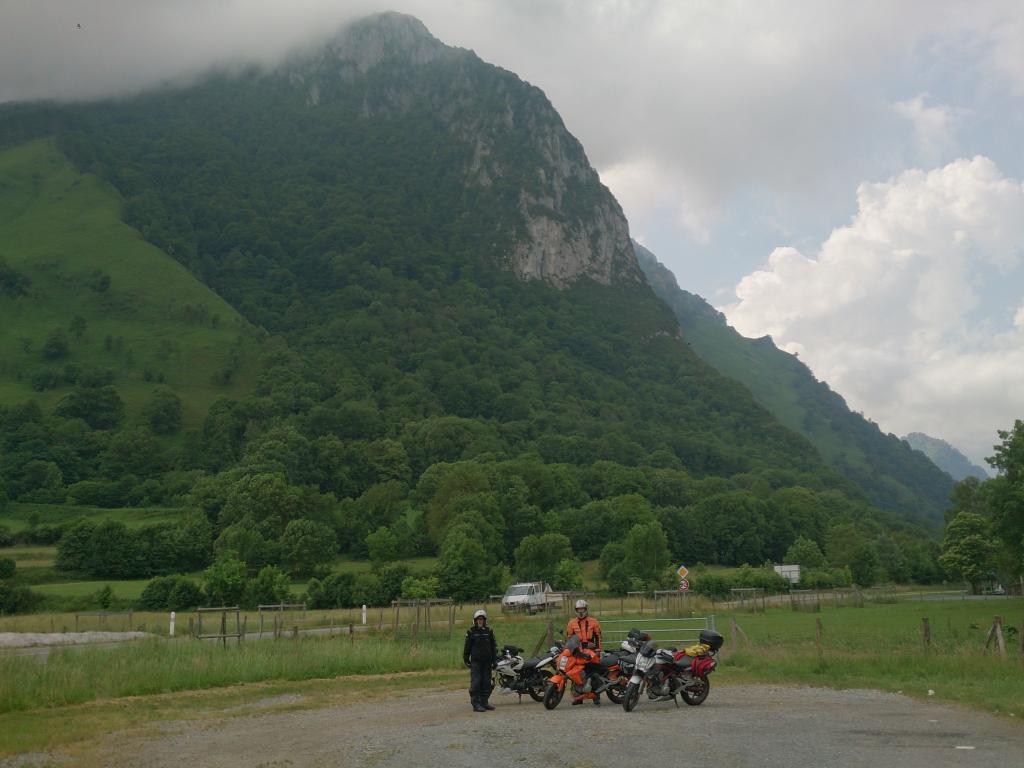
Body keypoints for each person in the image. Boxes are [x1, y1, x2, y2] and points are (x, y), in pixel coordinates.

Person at [564, 599, 603, 705]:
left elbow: (598, 637)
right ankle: (579, 697)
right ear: (575, 610)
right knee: (575, 672)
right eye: (578, 609)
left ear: (586, 609)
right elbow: (569, 638)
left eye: (582, 609)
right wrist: (568, 650)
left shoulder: (594, 622)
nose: (581, 611)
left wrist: (598, 650)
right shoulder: (571, 623)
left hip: (591, 650)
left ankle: (596, 696)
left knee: (594, 673)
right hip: (577, 651)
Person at [463, 608, 497, 712]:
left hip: (487, 662)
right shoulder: (471, 632)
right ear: (475, 620)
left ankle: (484, 702)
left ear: (485, 620)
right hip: (476, 662)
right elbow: (467, 647)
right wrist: (466, 659)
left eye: (482, 619)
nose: (480, 621)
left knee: (486, 682)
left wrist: (494, 660)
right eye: (478, 619)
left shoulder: (489, 631)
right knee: (476, 682)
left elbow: (493, 647)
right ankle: (476, 704)